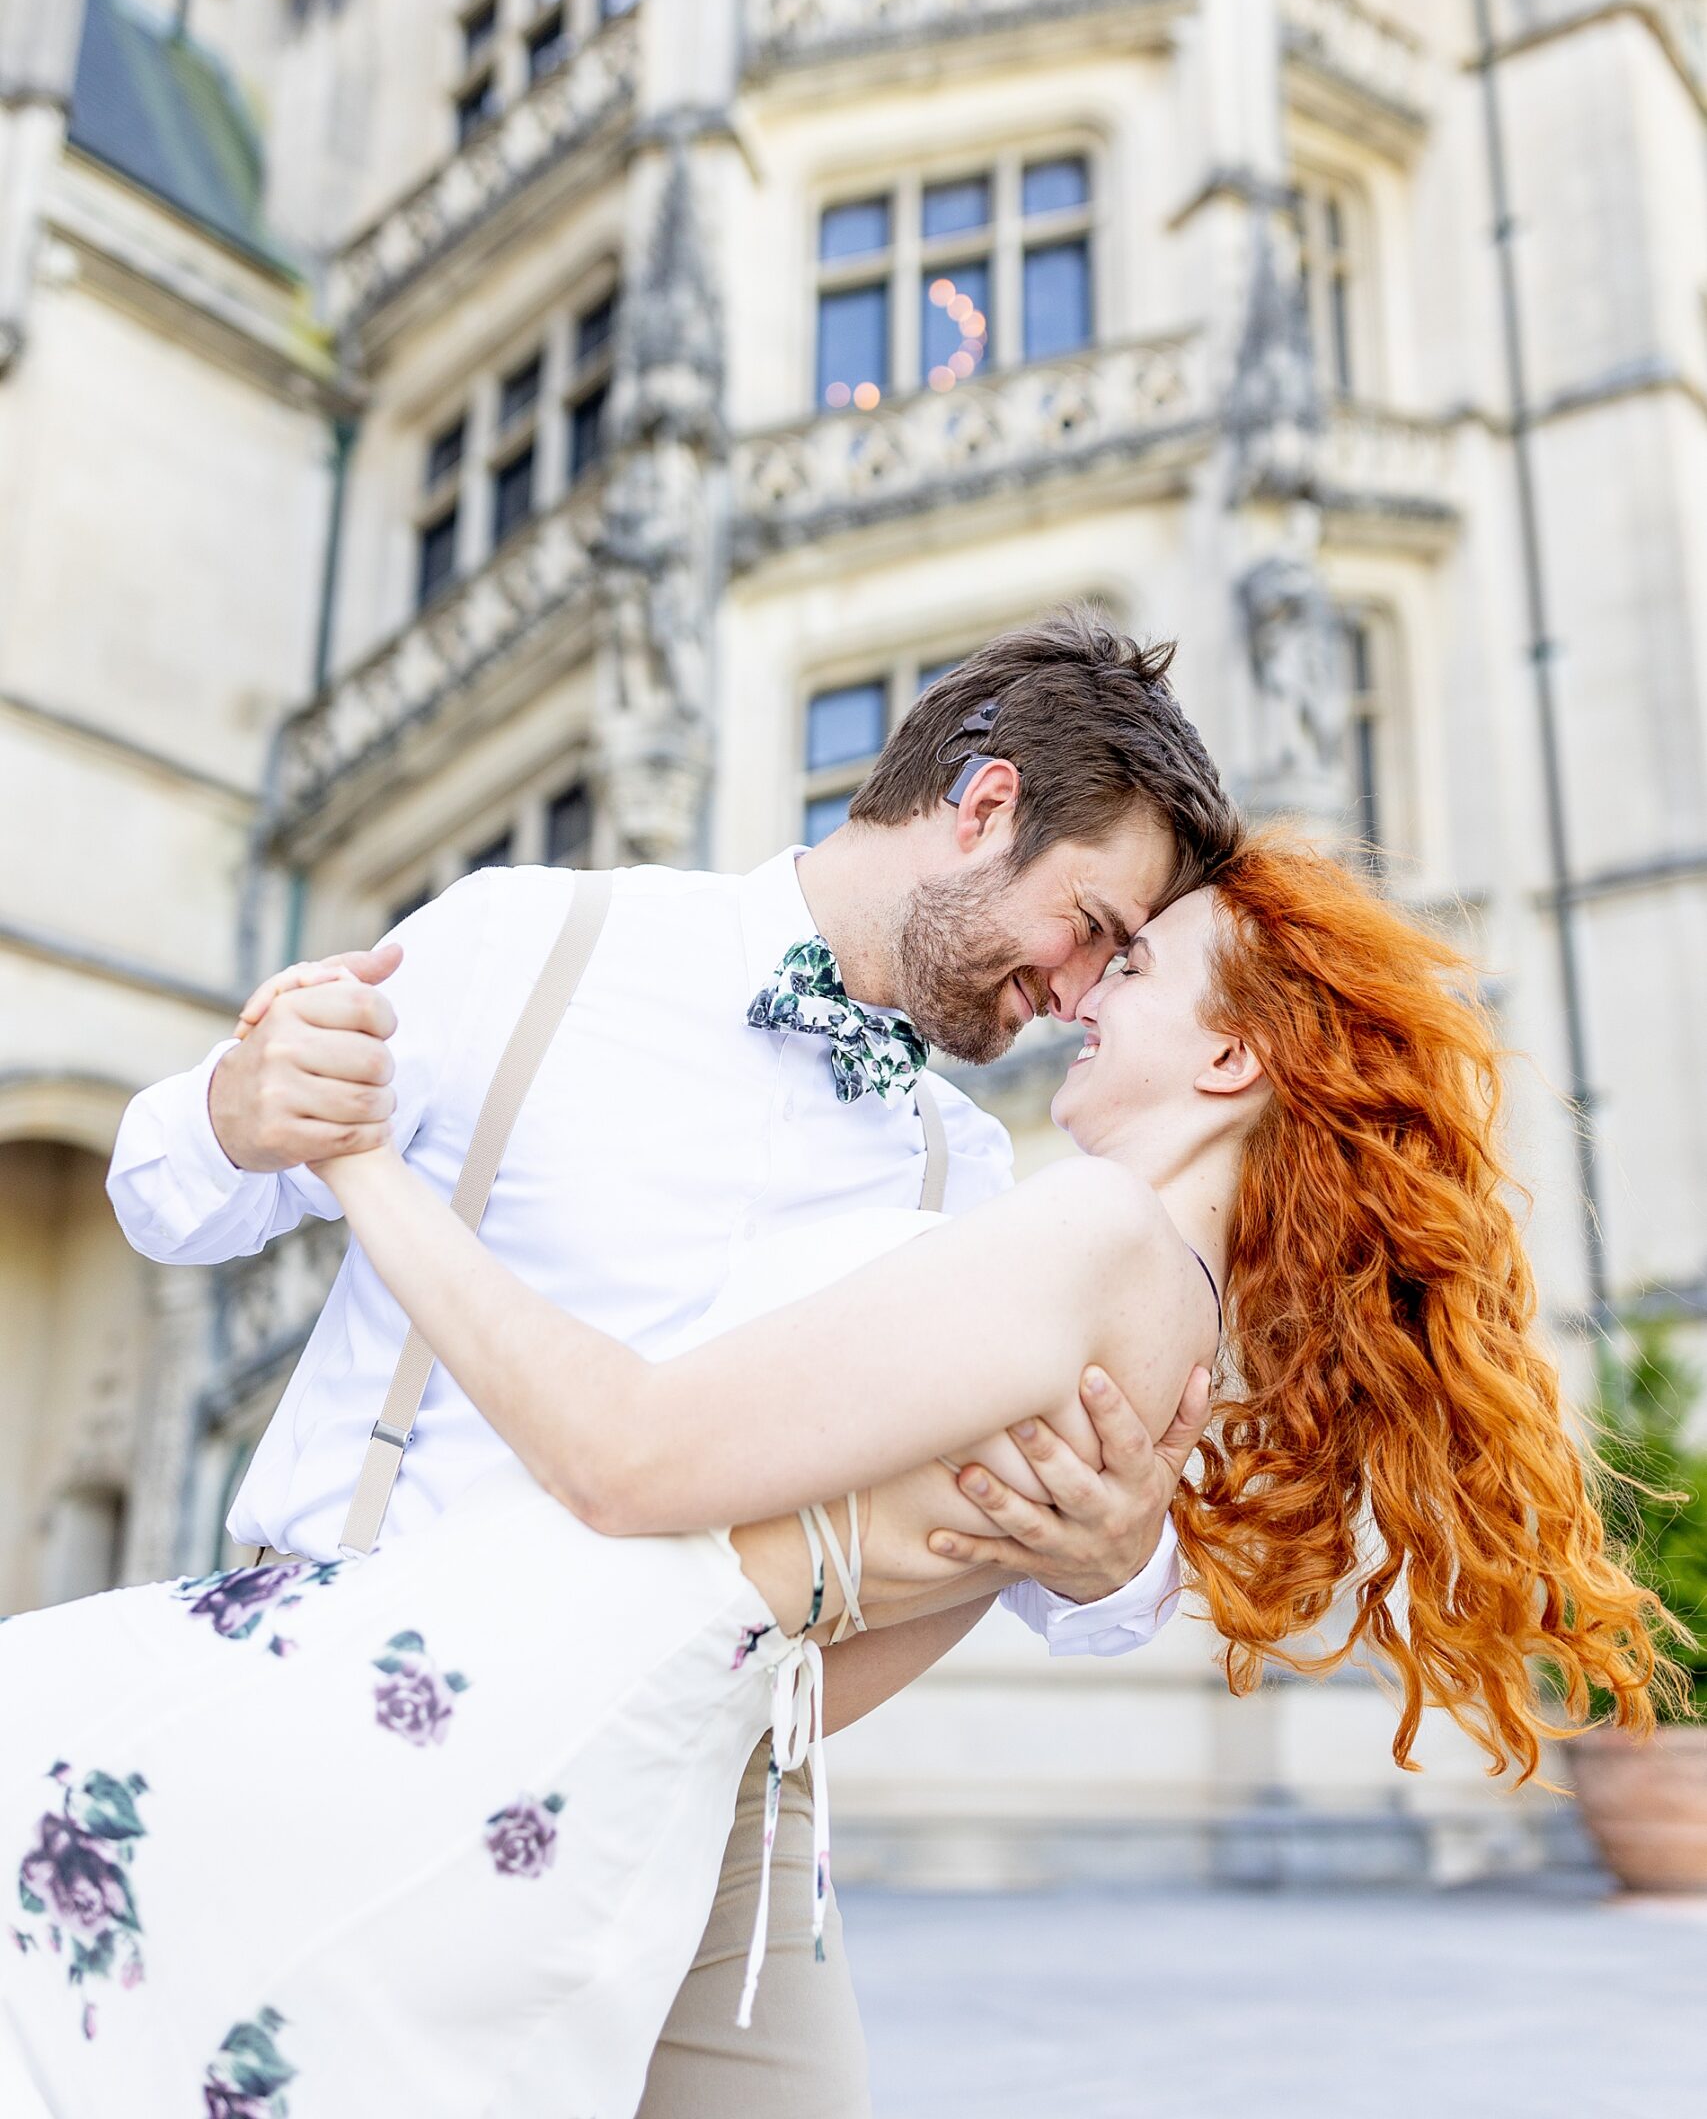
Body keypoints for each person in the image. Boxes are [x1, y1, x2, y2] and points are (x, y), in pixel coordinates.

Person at [0, 842, 1665, 2119]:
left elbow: (622, 1453)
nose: (1084, 993)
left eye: (1138, 963)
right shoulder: (1166, 1327)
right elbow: (814, 1659)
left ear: (1232, 1062)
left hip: (468, 1692)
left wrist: (359, 1158)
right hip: (607, 1759)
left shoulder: (1083, 1236)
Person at [93, 611, 1239, 2119]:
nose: (1084, 993)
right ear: (985, 808)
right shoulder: (535, 937)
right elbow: (165, 1198)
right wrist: (241, 1112)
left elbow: (1031, 1557)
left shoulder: (969, 1167)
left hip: (726, 1796)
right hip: (360, 1704)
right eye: (1092, 925)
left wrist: (1115, 1558)